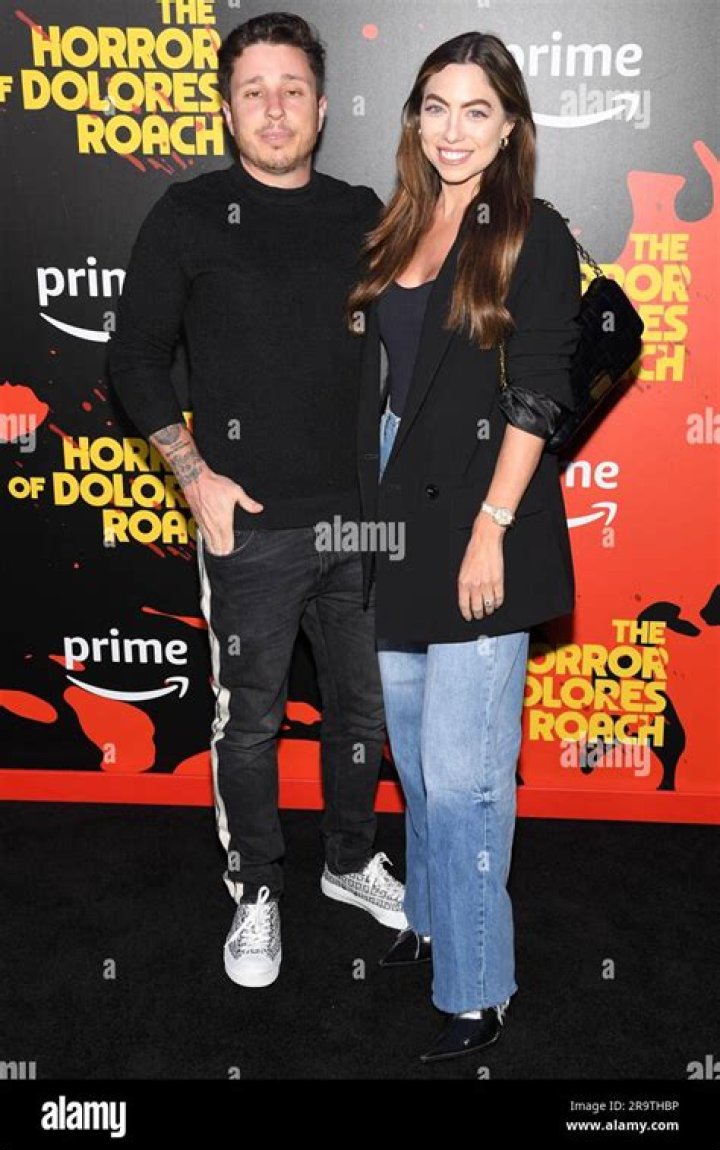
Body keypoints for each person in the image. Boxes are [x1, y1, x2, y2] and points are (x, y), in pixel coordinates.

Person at [108, 12, 407, 991]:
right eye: (254, 92)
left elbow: (427, 333)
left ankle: (349, 859)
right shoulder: (189, 215)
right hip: (251, 524)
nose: (275, 110)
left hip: (360, 517)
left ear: (322, 107)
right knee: (251, 721)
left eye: (292, 90)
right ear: (228, 112)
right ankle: (257, 887)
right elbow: (134, 359)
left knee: (362, 710)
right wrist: (195, 476)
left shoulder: (363, 211)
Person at [349, 31, 582, 1061]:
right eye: (435, 107)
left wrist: (492, 530)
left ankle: (479, 985)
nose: (452, 130)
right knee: (413, 754)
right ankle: (433, 917)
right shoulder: (397, 223)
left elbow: (538, 394)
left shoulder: (534, 231)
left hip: (484, 509)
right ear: (414, 118)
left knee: (467, 773)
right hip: (393, 504)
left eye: (476, 109)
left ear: (510, 124)